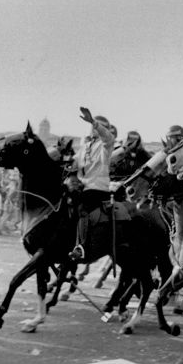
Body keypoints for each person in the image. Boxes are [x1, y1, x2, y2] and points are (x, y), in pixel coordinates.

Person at [68, 107, 115, 261]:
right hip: (83, 186)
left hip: (97, 188)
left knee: (82, 209)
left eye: (95, 127)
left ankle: (81, 247)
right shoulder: (85, 146)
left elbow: (108, 138)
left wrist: (94, 122)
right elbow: (74, 163)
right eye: (91, 127)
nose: (92, 129)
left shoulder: (105, 145)